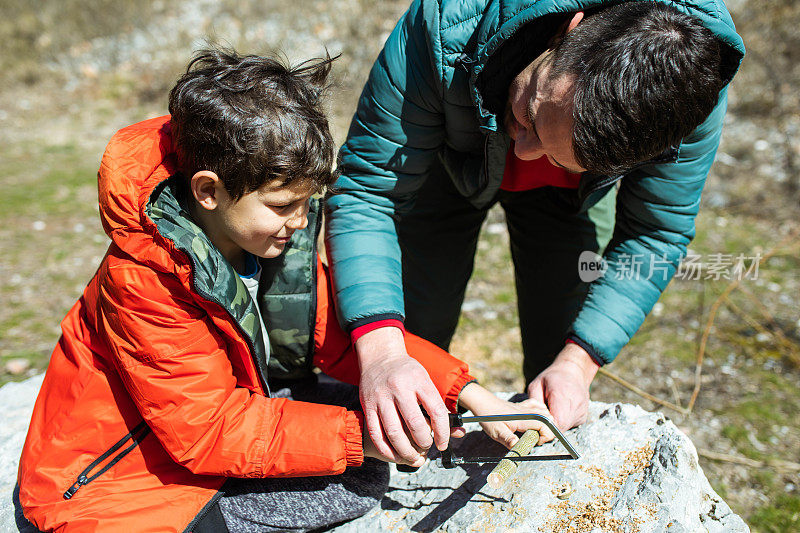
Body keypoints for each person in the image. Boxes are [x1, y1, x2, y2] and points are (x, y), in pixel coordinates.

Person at [16, 47, 550, 533]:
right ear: (208, 191)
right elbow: (210, 431)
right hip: (115, 479)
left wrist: (468, 394)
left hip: (211, 416)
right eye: (282, 205)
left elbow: (336, 337)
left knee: (388, 419)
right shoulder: (143, 285)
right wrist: (359, 439)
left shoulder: (261, 239)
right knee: (355, 474)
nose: (299, 223)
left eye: (306, 202)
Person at [325, 0, 745, 465]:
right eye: (530, 111)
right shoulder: (447, 25)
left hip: (568, 199)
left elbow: (655, 233)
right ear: (567, 32)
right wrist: (382, 352)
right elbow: (368, 190)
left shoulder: (688, 91)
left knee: (562, 343)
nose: (522, 153)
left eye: (552, 149)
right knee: (408, 321)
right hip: (444, 158)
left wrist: (578, 362)